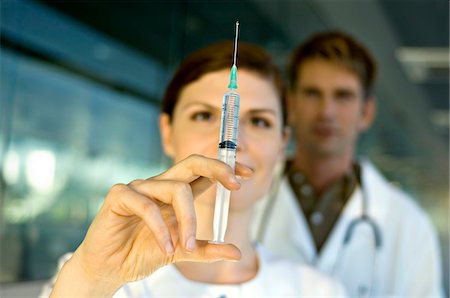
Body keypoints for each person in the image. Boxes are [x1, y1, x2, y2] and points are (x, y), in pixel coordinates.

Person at [40, 41, 346, 297]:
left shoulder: (317, 291)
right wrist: (92, 279)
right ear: (167, 132)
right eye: (202, 116)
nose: (232, 140)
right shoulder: (97, 276)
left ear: (282, 144)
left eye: (259, 121)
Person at [252, 31, 444, 297]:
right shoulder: (244, 201)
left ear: (366, 112)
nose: (326, 111)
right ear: (291, 105)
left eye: (343, 96)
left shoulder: (409, 225)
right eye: (312, 93)